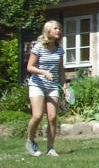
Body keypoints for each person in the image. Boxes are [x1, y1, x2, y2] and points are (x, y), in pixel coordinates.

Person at [25, 20, 66, 157]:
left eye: (59, 28)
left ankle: (50, 148)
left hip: (52, 85)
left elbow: (61, 69)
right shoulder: (38, 47)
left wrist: (65, 85)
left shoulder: (59, 49)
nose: (58, 31)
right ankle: (30, 141)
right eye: (55, 28)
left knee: (53, 117)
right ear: (48, 31)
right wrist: (44, 72)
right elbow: (29, 67)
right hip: (37, 84)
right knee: (37, 116)